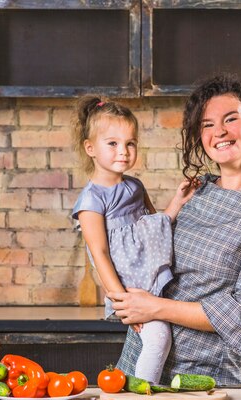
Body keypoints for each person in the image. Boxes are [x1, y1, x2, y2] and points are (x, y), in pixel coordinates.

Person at [110, 75, 241, 385]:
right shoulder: (199, 191)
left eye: (230, 119)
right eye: (207, 125)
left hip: (200, 382)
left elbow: (240, 314)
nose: (219, 132)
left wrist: (153, 306)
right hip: (136, 364)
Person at [71, 96, 195, 384]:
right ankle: (144, 399)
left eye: (130, 143)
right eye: (112, 143)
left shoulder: (135, 186)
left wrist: (178, 201)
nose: (123, 151)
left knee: (168, 337)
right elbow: (99, 254)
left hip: (157, 281)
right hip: (133, 292)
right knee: (158, 339)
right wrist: (123, 303)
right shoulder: (91, 200)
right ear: (90, 148)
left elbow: (156, 226)